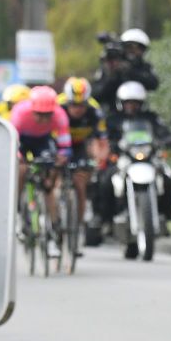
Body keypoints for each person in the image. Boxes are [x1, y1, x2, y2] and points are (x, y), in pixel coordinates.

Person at [105, 81, 171, 231]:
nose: (132, 106)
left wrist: (169, 139)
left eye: (135, 103)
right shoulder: (113, 119)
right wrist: (110, 145)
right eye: (128, 103)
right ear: (122, 103)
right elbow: (105, 136)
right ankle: (106, 218)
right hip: (124, 157)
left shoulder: (150, 118)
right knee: (105, 180)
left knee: (166, 179)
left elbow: (162, 130)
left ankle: (165, 213)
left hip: (147, 156)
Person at [9, 86, 72, 258]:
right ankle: (18, 210)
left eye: (47, 115)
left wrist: (60, 158)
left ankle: (52, 226)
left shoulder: (59, 115)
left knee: (50, 180)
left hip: (43, 141)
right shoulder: (20, 113)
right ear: (32, 109)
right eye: (39, 114)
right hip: (22, 140)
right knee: (21, 170)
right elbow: (12, 141)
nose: (44, 119)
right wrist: (19, 157)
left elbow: (64, 145)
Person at [58, 77, 110, 240]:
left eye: (81, 105)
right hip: (58, 144)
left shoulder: (95, 111)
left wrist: (100, 159)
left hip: (80, 145)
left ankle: (77, 225)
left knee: (80, 183)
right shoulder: (57, 107)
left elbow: (102, 141)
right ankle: (53, 219)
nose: (77, 109)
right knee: (55, 178)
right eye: (73, 105)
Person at [92, 28, 160, 114]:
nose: (133, 52)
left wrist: (131, 72)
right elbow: (97, 94)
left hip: (139, 114)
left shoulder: (144, 67)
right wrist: (114, 75)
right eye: (129, 47)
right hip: (112, 113)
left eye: (138, 48)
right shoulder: (111, 66)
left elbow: (153, 83)